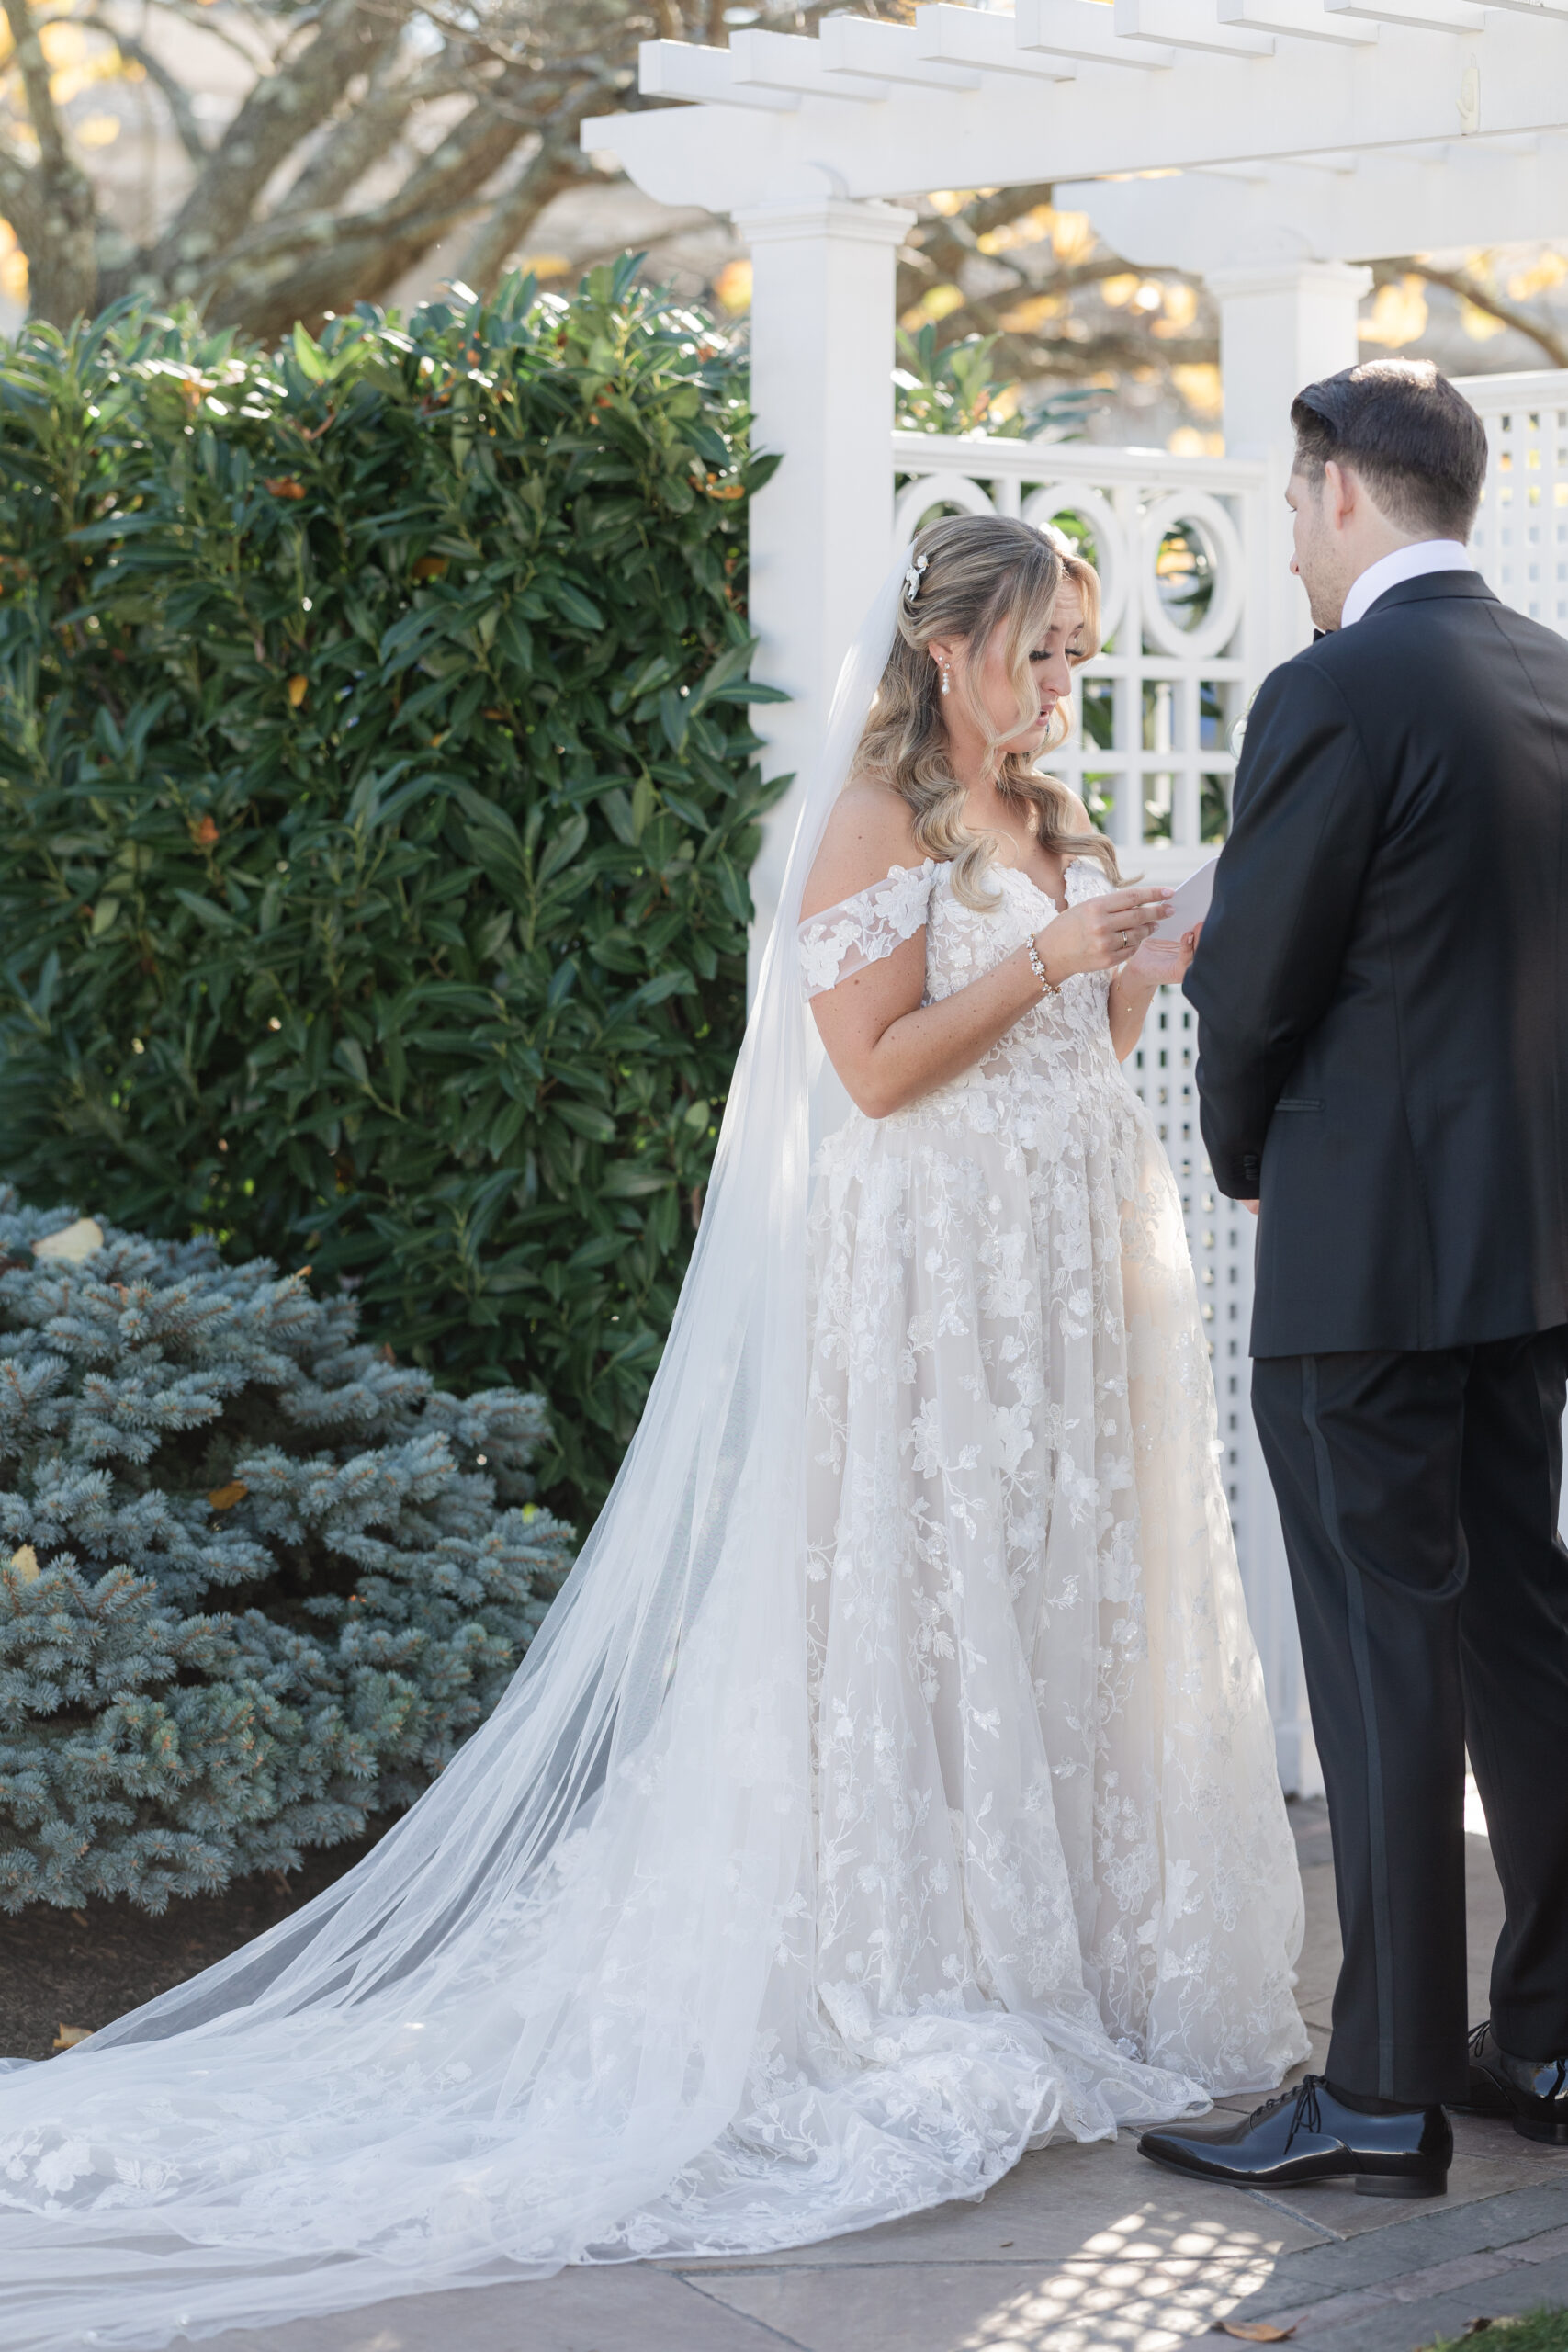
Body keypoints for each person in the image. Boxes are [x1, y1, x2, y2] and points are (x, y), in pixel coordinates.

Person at [0, 515, 1306, 2352]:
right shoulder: (877, 819)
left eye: (1075, 655)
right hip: (931, 1283)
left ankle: (1060, 1946)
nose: (1054, 685)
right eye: (1032, 651)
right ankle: (914, 1961)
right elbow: (868, 1070)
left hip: (1062, 1288)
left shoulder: (1053, 814)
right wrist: (1035, 967)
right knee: (919, 1610)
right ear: (942, 650)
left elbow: (1073, 1062)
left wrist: (1130, 961)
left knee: (1041, 1603)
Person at [1140, 358, 1568, 2206]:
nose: (1290, 539)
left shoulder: (1328, 688)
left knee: (1386, 1648)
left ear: (1335, 493)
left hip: (1363, 1257)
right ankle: (1543, 2030)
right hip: (1526, 1245)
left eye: (1289, 501)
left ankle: (1381, 2088)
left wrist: (1243, 1159)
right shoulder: (1552, 674)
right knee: (1519, 1629)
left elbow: (1251, 979)